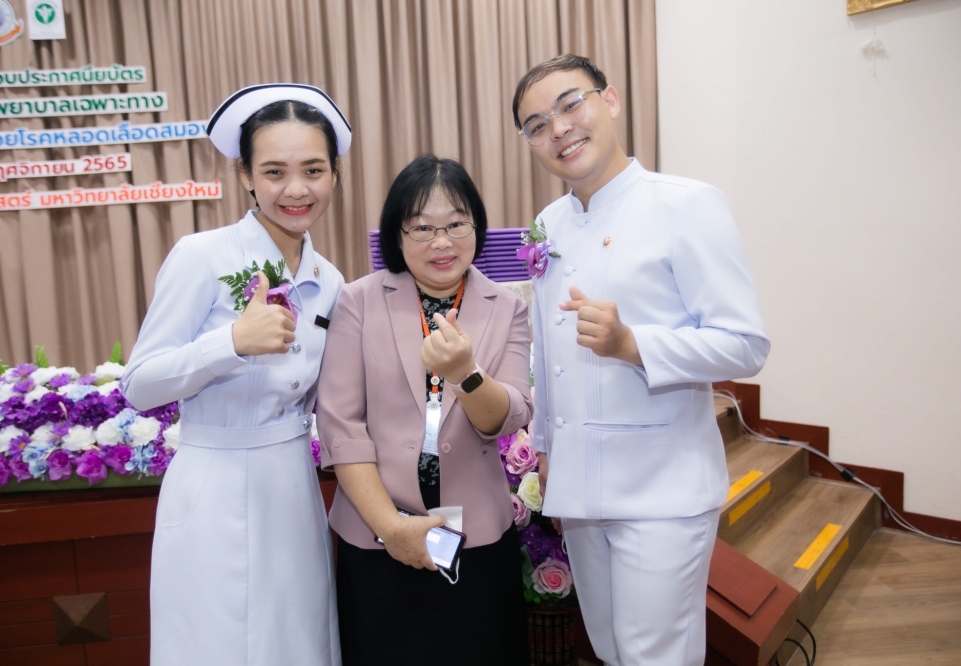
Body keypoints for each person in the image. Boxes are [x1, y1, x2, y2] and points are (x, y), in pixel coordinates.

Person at [512, 55, 770, 666]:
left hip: (662, 488)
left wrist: (634, 344)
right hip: (578, 487)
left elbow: (746, 344)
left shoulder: (686, 204)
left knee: (654, 655)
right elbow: (548, 353)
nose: (559, 129)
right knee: (608, 648)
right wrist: (545, 449)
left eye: (570, 105)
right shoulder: (549, 224)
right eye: (537, 125)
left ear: (610, 101)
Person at [122, 84, 351, 666]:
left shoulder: (330, 280)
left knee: (296, 639)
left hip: (292, 488)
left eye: (313, 170)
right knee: (216, 643)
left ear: (334, 174)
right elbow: (140, 384)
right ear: (246, 175)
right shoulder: (202, 256)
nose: (296, 189)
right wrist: (229, 343)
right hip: (213, 486)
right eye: (274, 171)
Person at [316, 154, 532, 666]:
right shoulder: (358, 301)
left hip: (476, 538)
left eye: (457, 224)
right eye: (422, 228)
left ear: (477, 225)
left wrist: (465, 374)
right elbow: (341, 425)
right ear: (397, 233)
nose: (442, 242)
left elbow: (506, 416)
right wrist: (391, 528)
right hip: (377, 536)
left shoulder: (508, 306)